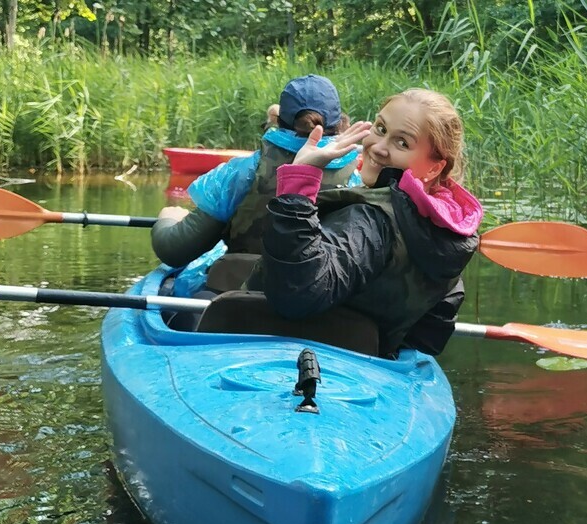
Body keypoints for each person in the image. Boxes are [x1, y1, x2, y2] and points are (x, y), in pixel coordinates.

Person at [245, 88, 484, 357]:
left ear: (434, 167)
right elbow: (429, 335)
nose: (379, 148)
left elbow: (296, 294)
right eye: (381, 129)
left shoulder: (371, 220)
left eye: (402, 143)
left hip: (280, 356)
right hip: (370, 374)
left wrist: (299, 185)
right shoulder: (447, 232)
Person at [151, 74, 360, 295]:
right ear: (340, 125)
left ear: (279, 121)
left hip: (236, 300)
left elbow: (174, 250)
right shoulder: (357, 182)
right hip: (318, 305)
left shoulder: (242, 173)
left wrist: (167, 219)